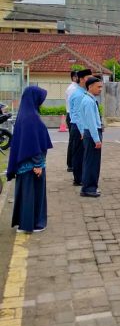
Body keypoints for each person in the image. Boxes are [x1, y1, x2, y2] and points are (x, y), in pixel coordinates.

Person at [8, 86, 53, 233]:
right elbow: (34, 143)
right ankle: (35, 224)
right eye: (40, 99)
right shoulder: (32, 118)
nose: (42, 102)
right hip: (33, 165)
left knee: (25, 194)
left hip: (23, 165)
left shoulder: (23, 115)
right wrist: (38, 164)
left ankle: (23, 223)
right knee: (34, 195)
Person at [78, 76, 104, 197]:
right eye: (98, 87)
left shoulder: (89, 99)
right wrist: (97, 139)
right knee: (92, 162)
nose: (100, 89)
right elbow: (91, 122)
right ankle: (88, 188)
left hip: (89, 133)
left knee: (91, 161)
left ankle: (90, 186)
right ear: (90, 87)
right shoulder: (88, 101)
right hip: (92, 133)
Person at [68, 69, 92, 187]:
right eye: (88, 78)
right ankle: (78, 179)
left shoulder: (82, 92)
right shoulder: (78, 94)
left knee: (82, 153)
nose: (90, 80)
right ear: (82, 79)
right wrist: (82, 131)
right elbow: (77, 115)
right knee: (78, 154)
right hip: (78, 128)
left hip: (79, 127)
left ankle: (81, 176)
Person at [65, 69, 79, 172]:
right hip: (72, 115)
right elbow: (73, 105)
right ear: (74, 77)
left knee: (74, 140)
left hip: (72, 115)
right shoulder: (72, 89)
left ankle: (72, 163)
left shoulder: (75, 88)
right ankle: (71, 164)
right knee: (73, 140)